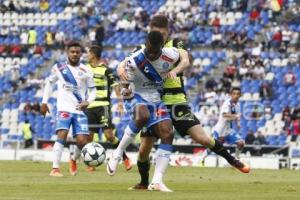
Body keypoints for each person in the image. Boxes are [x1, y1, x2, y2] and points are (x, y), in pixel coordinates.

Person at [118, 15, 250, 191]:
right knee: (143, 150)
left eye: (163, 34)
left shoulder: (176, 45)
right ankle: (144, 182)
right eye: (157, 34)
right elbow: (122, 65)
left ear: (168, 32)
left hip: (176, 101)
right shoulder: (141, 50)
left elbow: (186, 60)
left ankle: (233, 160)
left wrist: (176, 70)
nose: (160, 38)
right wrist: (121, 71)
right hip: (153, 103)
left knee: (202, 137)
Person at [107, 31, 184, 192]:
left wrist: (177, 70)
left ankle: (156, 182)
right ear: (146, 44)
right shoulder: (135, 61)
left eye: (154, 51)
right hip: (136, 96)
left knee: (168, 134)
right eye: (148, 49)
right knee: (143, 115)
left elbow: (184, 58)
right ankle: (118, 152)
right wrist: (124, 90)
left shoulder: (170, 55)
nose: (150, 53)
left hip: (156, 100)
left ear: (161, 48)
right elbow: (123, 81)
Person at [41, 41, 96, 177]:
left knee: (83, 141)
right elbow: (49, 82)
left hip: (79, 110)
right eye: (72, 52)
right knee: (62, 135)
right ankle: (55, 169)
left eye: (77, 52)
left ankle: (73, 158)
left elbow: (93, 90)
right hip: (64, 108)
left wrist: (88, 101)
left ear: (81, 54)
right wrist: (44, 102)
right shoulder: (59, 68)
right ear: (67, 53)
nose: (75, 54)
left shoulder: (86, 70)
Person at [83, 45, 132, 172]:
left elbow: (116, 87)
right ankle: (90, 164)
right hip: (89, 107)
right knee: (89, 136)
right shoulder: (84, 69)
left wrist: (120, 103)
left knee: (109, 135)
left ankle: (125, 158)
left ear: (93, 54)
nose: (87, 55)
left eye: (88, 53)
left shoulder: (106, 70)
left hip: (103, 106)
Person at [201, 87, 245, 163]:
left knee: (241, 143)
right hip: (220, 130)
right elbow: (225, 115)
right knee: (213, 147)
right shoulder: (227, 103)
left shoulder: (237, 105)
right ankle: (202, 159)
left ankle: (237, 160)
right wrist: (236, 116)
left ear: (240, 95)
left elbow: (235, 115)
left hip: (228, 130)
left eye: (238, 94)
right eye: (234, 94)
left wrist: (238, 123)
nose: (236, 95)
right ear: (231, 95)